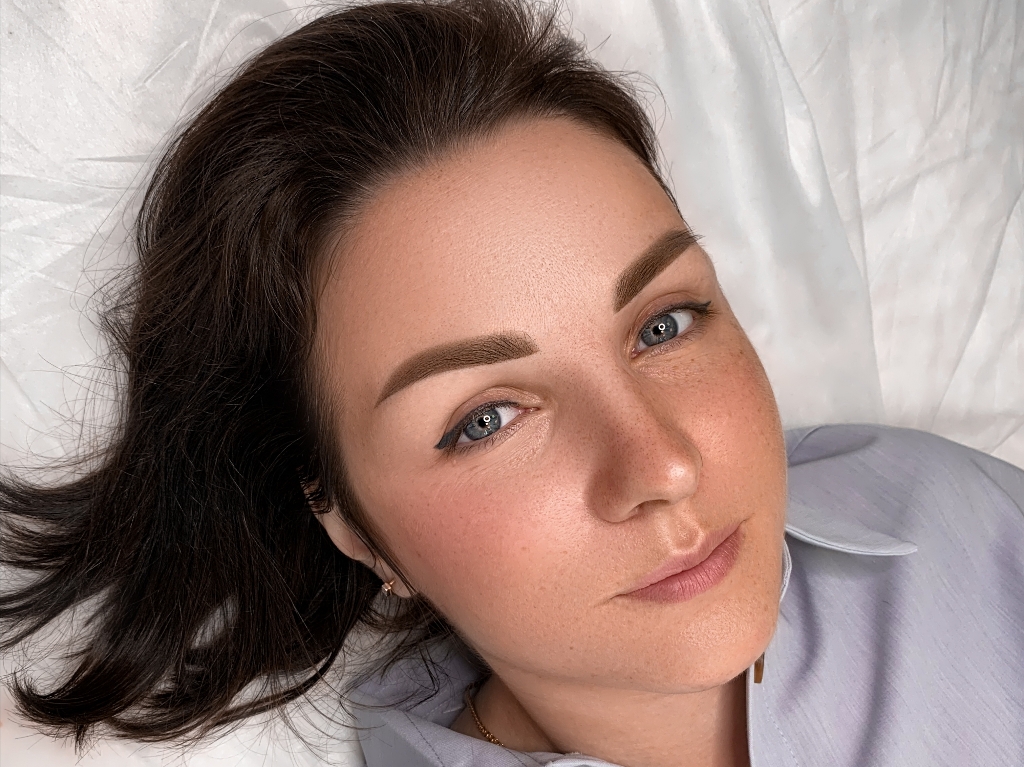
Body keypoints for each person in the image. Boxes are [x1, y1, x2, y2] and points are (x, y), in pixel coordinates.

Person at [1, 1, 1021, 766]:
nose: (661, 465)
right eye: (486, 418)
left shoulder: (955, 519)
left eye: (663, 323)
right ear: (352, 524)